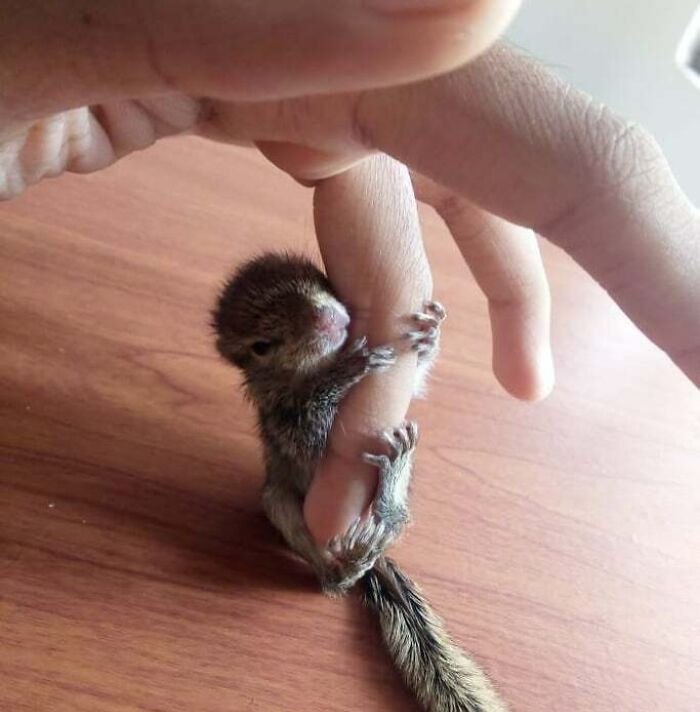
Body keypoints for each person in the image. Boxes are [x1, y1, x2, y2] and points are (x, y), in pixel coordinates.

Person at [2, 1, 698, 542]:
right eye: (277, 341)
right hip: (309, 504)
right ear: (250, 360)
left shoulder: (338, 340)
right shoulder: (287, 399)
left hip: (350, 502)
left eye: (320, 294)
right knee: (301, 499)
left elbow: (382, 370)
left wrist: (401, 347)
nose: (325, 318)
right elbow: (317, 424)